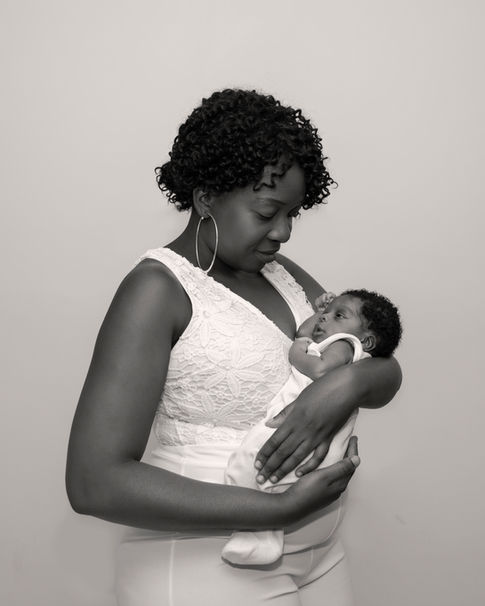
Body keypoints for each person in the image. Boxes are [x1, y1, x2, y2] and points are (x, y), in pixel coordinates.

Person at [65, 89, 402, 606]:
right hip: (208, 567)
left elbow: (383, 366)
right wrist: (281, 510)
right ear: (206, 198)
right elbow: (93, 482)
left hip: (320, 558)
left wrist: (344, 386)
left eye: (293, 214)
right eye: (267, 212)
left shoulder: (283, 275)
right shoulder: (157, 290)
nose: (283, 232)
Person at [222, 289, 402, 565]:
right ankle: (259, 536)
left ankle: (260, 534)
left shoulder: (344, 343)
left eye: (339, 315)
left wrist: (296, 352)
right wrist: (322, 313)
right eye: (327, 313)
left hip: (300, 431)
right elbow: (303, 332)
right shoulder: (334, 338)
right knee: (257, 476)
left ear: (365, 340)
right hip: (305, 430)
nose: (325, 318)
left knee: (247, 465)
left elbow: (319, 370)